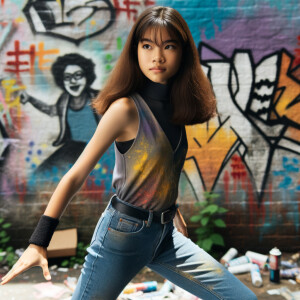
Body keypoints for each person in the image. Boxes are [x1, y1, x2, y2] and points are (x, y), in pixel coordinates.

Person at [1, 6, 257, 300]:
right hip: (122, 235)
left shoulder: (176, 108)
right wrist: (39, 241)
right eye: (147, 45)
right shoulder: (125, 109)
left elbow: (156, 168)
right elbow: (76, 174)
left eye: (168, 46)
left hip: (165, 237)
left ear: (182, 54)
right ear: (135, 50)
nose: (156, 56)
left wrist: (172, 209)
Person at [20, 53, 100, 176]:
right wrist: (30, 99)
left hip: (99, 146)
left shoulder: (98, 97)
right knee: (41, 173)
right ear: (62, 81)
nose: (73, 81)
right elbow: (50, 110)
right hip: (73, 148)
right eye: (67, 77)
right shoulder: (64, 100)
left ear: (87, 76)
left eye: (78, 75)